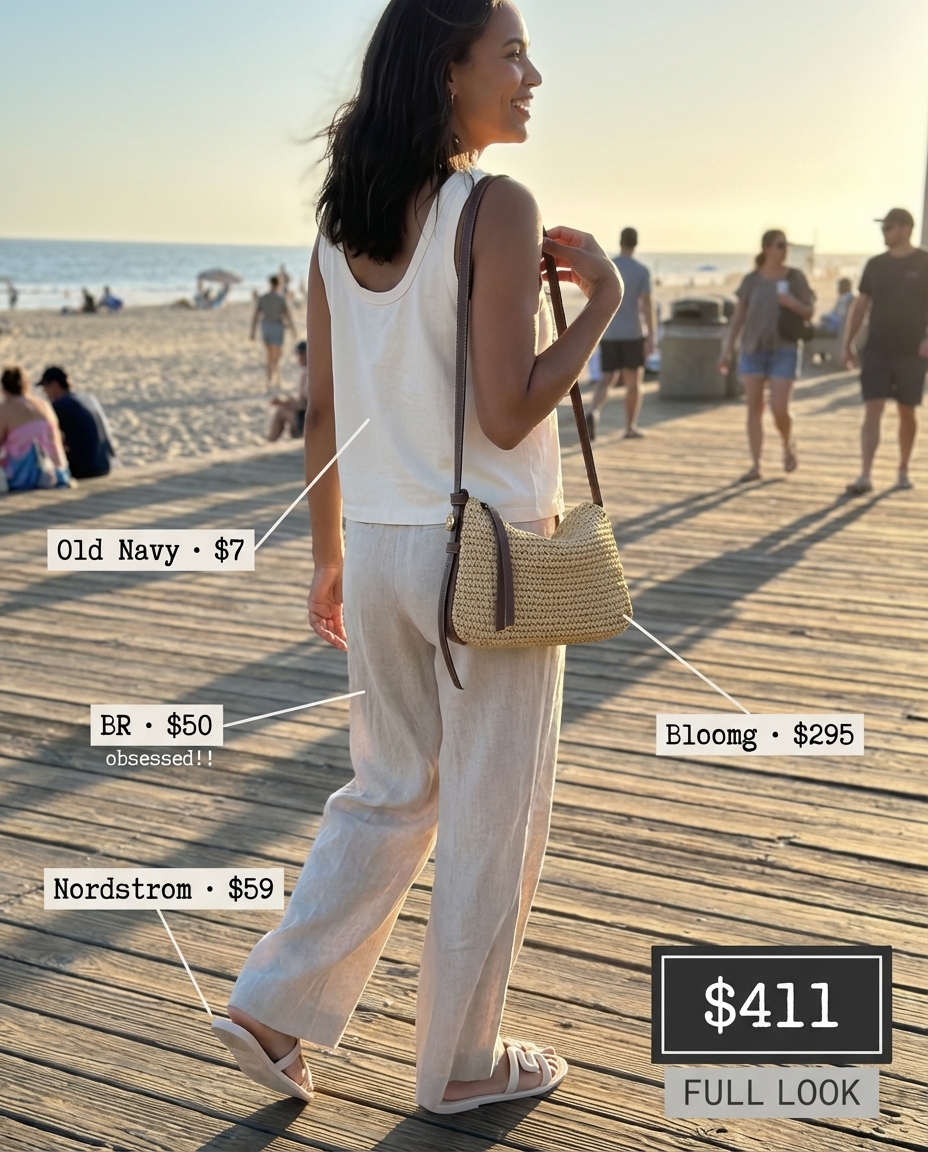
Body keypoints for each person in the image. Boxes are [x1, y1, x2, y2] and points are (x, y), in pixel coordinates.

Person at [214, 0, 622, 1117]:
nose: (532, 75)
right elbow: (505, 413)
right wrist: (605, 308)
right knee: (497, 808)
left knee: (388, 794)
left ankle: (267, 1009)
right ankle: (460, 1065)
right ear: (450, 71)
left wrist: (326, 556)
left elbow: (324, 413)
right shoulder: (495, 206)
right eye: (513, 55)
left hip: (386, 546)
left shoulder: (337, 221)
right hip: (485, 557)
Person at [842, 208, 928, 494]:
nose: (885, 232)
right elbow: (861, 305)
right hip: (877, 347)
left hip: (912, 350)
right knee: (873, 408)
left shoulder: (924, 262)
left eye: (889, 227)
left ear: (905, 229)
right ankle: (866, 474)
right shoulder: (875, 265)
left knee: (907, 411)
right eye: (883, 227)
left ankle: (903, 468)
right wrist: (848, 343)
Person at [719, 229, 814, 482]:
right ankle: (755, 464)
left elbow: (809, 312)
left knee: (779, 408)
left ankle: (787, 444)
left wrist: (791, 302)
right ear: (766, 249)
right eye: (780, 245)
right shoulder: (751, 280)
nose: (785, 250)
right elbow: (739, 316)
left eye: (787, 246)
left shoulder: (795, 277)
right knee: (754, 407)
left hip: (785, 349)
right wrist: (727, 349)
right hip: (753, 348)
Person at [586, 226, 654, 439]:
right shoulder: (641, 270)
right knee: (634, 383)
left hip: (609, 332)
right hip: (632, 332)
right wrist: (651, 335)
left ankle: (593, 411)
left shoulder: (609, 266)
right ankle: (629, 427)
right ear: (636, 243)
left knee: (606, 379)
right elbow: (647, 305)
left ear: (620, 242)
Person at [37, 366, 116, 479]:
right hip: (105, 465)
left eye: (45, 388)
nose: (45, 393)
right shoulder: (87, 398)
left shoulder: (60, 405)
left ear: (55, 385)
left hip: (84, 469)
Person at [0, 366, 72, 490]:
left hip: (25, 477)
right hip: (58, 473)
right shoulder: (44, 405)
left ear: (4, 389)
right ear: (26, 385)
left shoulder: (5, 409)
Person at [250, 275, 295, 388]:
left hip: (265, 327)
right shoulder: (281, 298)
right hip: (277, 328)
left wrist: (253, 332)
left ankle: (270, 379)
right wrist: (293, 330)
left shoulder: (263, 298)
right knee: (277, 355)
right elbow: (288, 315)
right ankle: (277, 379)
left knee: (269, 355)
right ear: (279, 284)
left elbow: (256, 315)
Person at [267, 340, 309, 441]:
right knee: (280, 410)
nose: (298, 358)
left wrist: (289, 402)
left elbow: (308, 401)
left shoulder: (310, 375)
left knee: (280, 413)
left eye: (299, 355)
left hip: (307, 421)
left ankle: (270, 441)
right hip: (303, 415)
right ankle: (270, 441)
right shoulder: (305, 373)